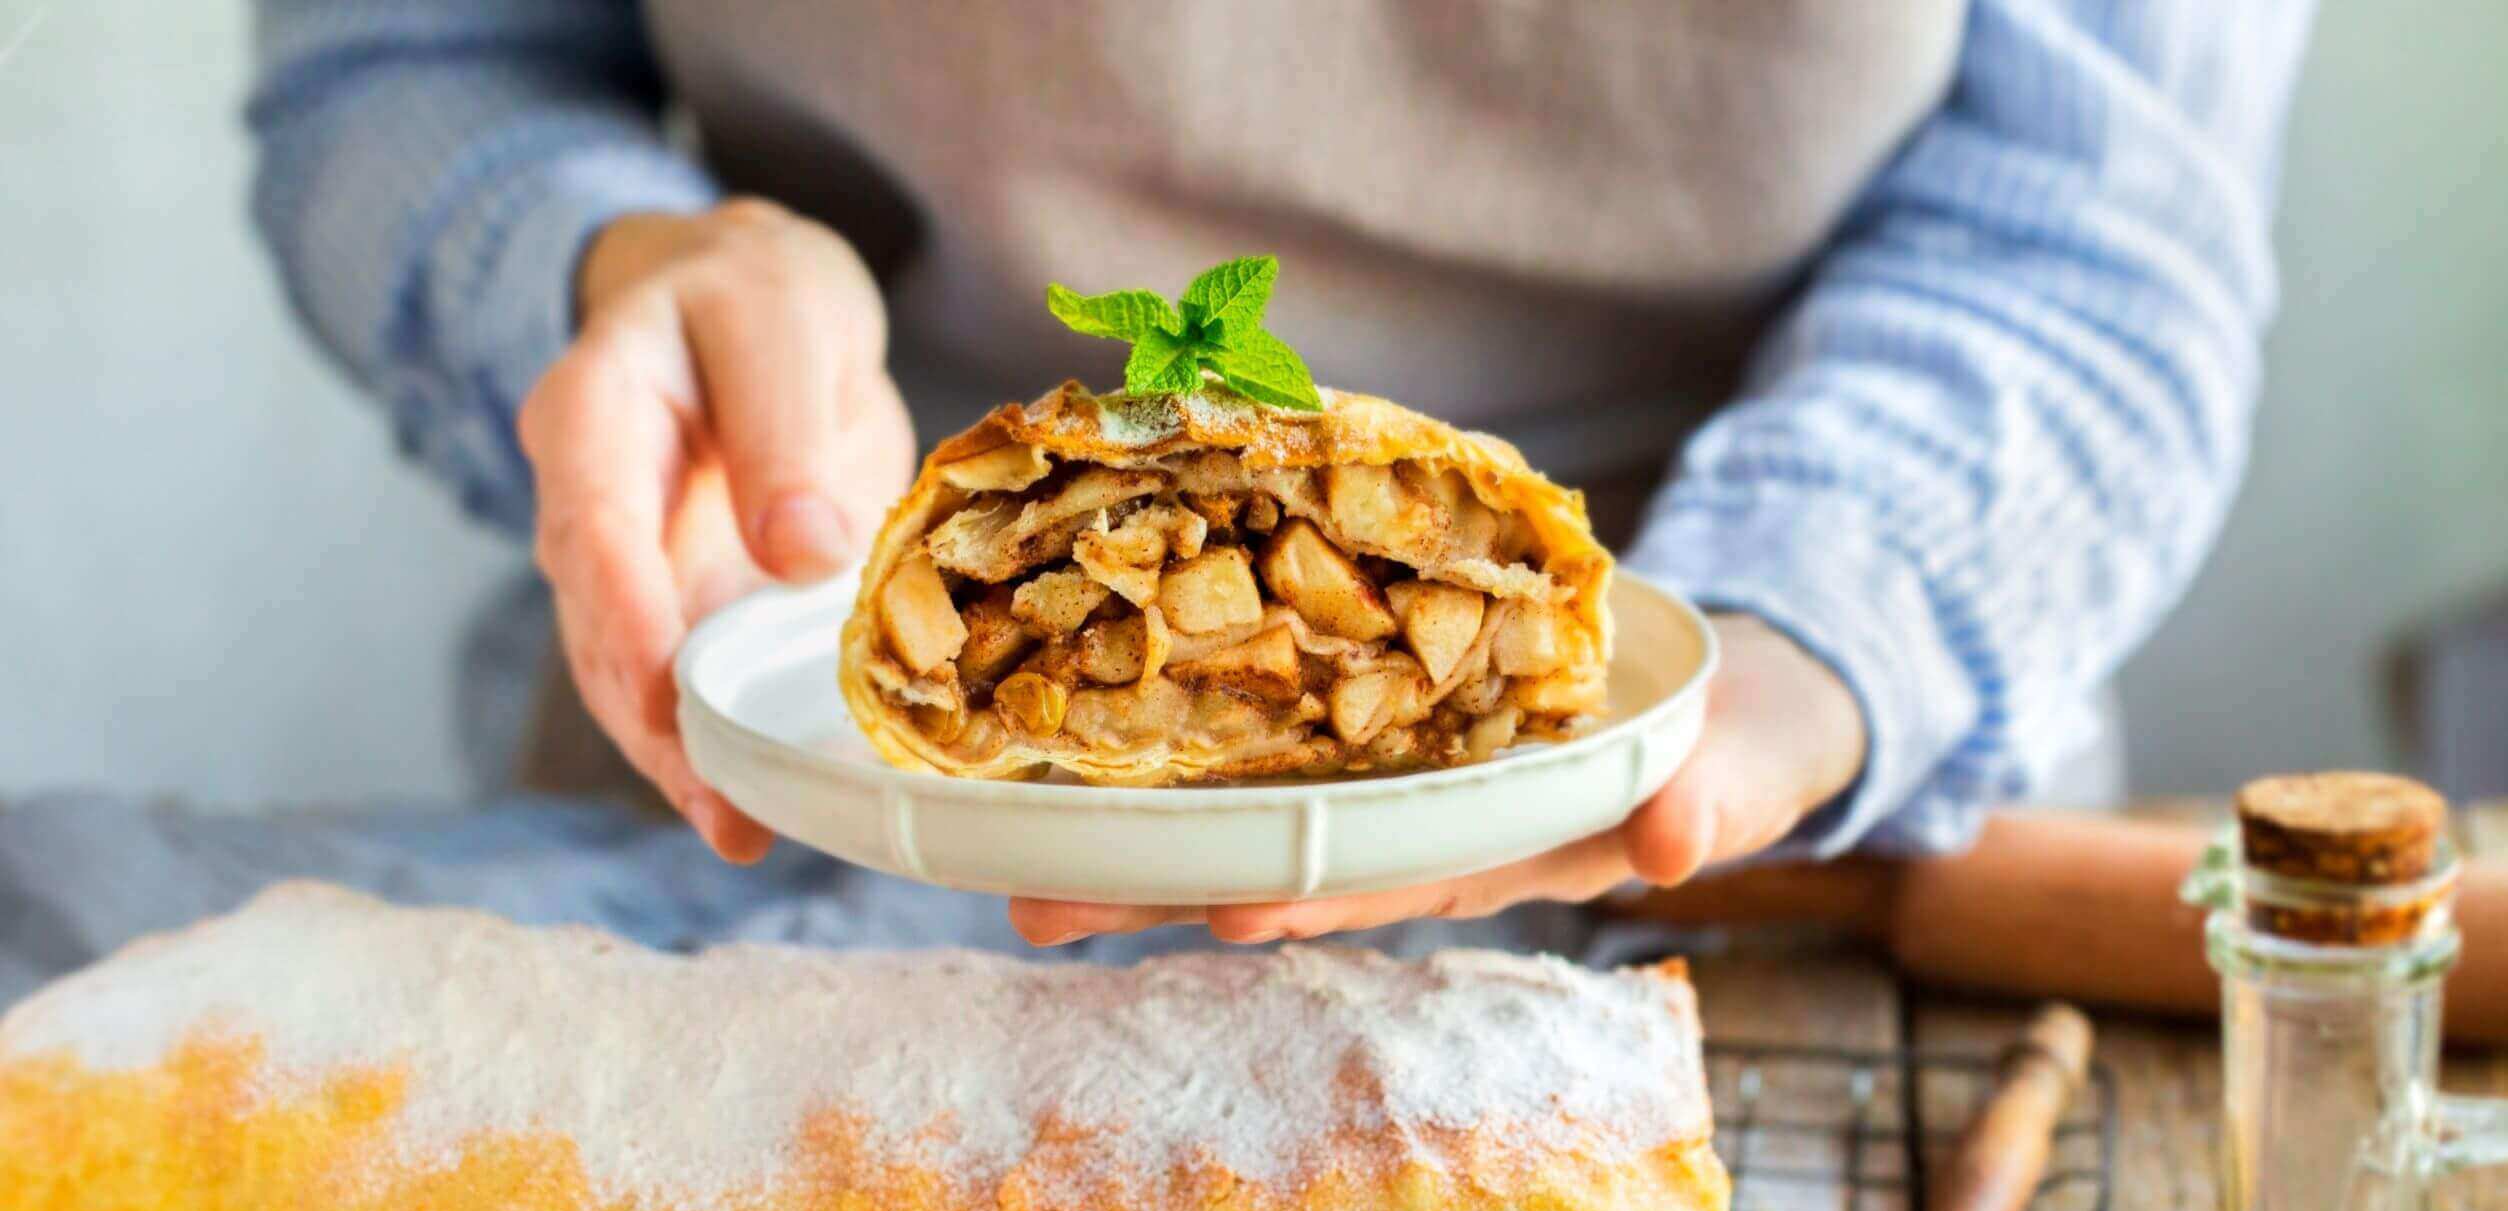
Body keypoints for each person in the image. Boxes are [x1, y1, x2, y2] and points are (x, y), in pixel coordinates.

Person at [245, 1, 2312, 946]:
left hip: (1796, 854)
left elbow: (2100, 216)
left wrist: (1789, 637)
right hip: (779, 801)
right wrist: (618, 265)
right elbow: (397, 65)